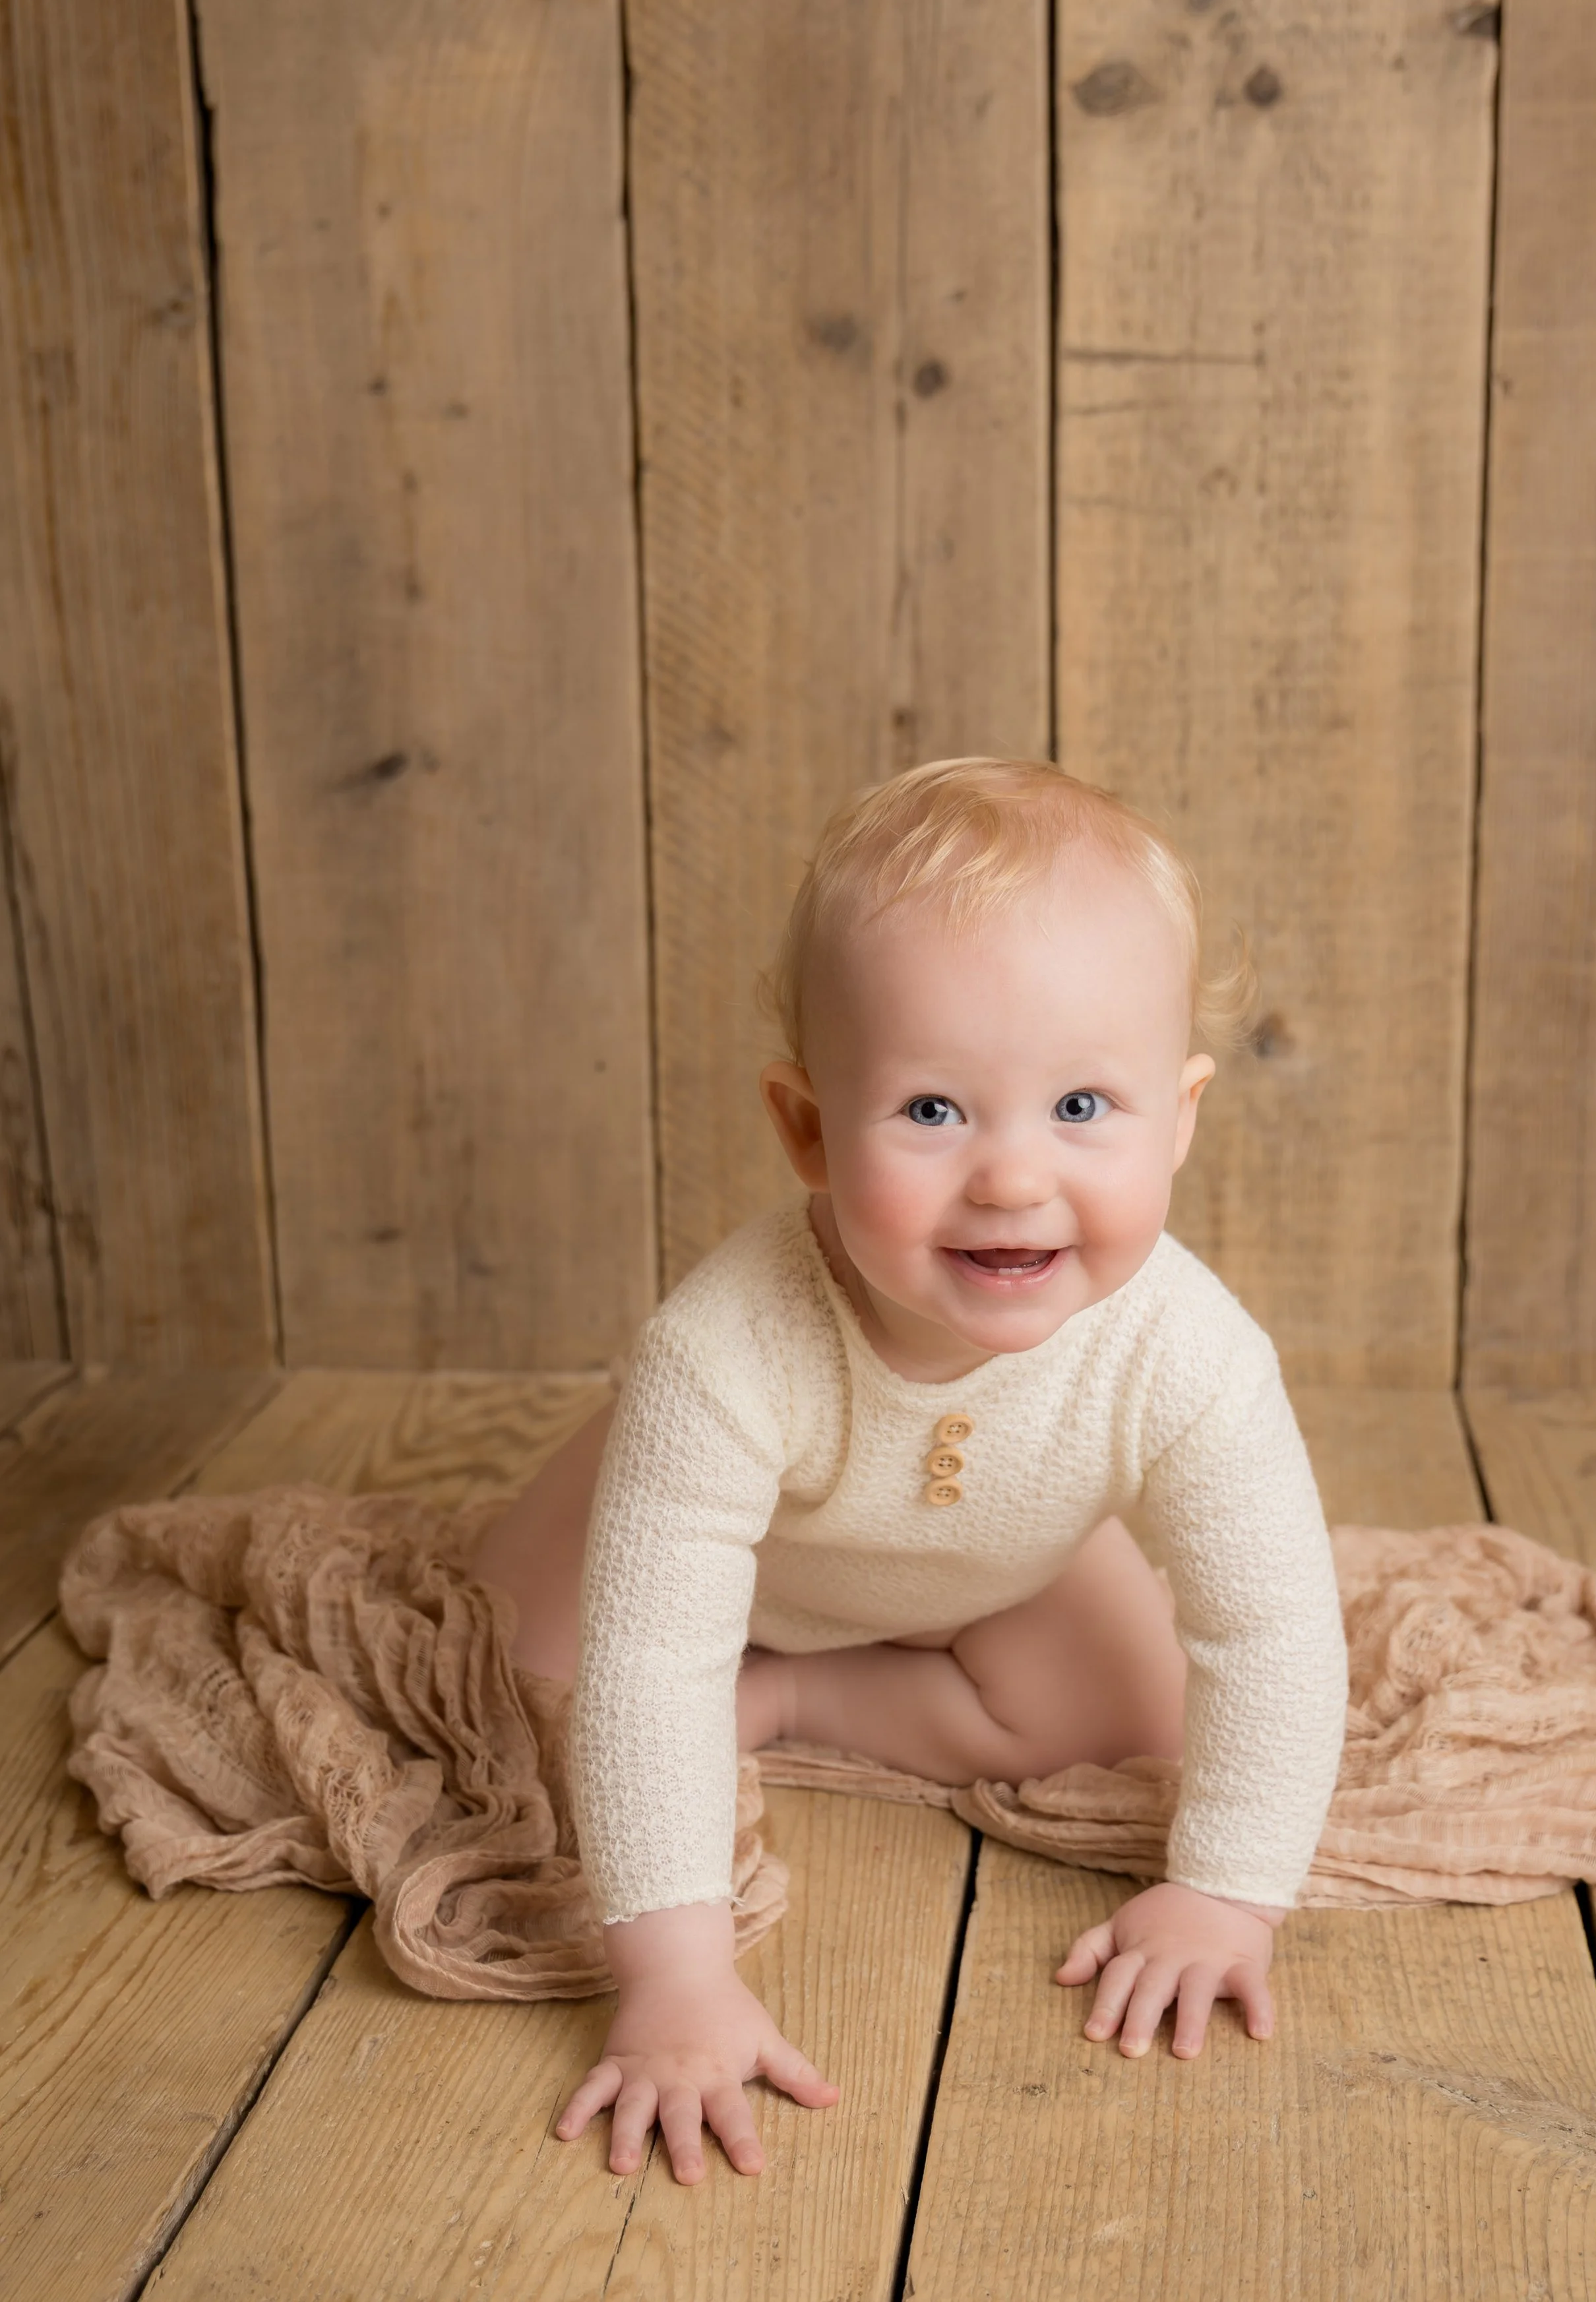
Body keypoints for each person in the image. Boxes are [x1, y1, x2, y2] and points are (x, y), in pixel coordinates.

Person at [467, 756, 1348, 2187]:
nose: (1010, 1177)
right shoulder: (724, 1350)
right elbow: (643, 1667)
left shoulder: (1185, 1350)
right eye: (934, 1111)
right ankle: (726, 1667)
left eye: (1081, 1107)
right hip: (710, 1548)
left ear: (1178, 1115)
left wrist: (1225, 1893)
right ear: (809, 1128)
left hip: (984, 1560)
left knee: (1141, 1714)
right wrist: (675, 1972)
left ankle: (805, 1693)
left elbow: (1275, 1631)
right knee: (526, 1678)